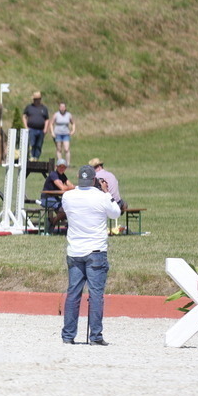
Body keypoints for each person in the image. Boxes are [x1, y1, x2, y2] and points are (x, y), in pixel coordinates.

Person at [60, 165, 122, 346]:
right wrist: (106, 192)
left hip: (75, 251)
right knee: (95, 295)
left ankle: (68, 335)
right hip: (96, 251)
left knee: (73, 293)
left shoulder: (68, 196)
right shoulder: (101, 197)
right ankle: (95, 336)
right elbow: (116, 213)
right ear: (94, 179)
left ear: (78, 178)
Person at [43, 161, 74, 231]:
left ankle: (53, 221)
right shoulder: (53, 174)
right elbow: (63, 187)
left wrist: (71, 187)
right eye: (60, 166)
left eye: (63, 167)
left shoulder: (63, 176)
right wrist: (71, 187)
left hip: (56, 198)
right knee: (64, 209)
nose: (62, 168)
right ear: (56, 167)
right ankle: (53, 223)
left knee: (68, 207)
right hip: (47, 199)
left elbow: (70, 185)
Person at [23, 90, 50, 159]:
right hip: (31, 129)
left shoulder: (44, 108)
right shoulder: (29, 107)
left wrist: (45, 128)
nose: (36, 101)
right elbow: (24, 116)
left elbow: (47, 119)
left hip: (41, 130)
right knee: (32, 144)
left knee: (39, 145)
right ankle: (31, 157)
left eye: (37, 99)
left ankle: (36, 157)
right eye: (35, 99)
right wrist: (26, 127)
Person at [51, 101, 75, 166]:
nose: (62, 108)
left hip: (66, 134)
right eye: (61, 107)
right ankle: (60, 163)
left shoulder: (68, 115)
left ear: (65, 108)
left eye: (63, 107)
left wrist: (73, 130)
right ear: (59, 107)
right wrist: (52, 132)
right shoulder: (56, 115)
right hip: (57, 134)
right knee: (59, 149)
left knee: (66, 149)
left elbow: (73, 123)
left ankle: (68, 163)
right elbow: (51, 123)